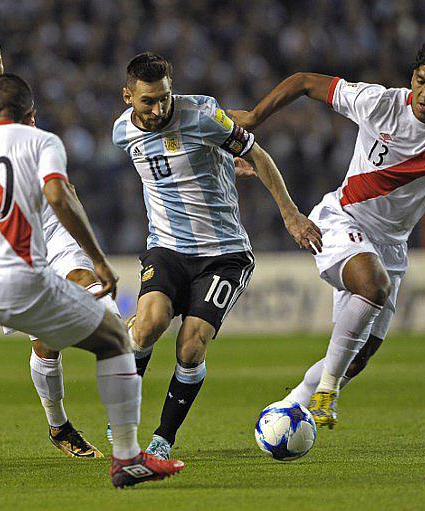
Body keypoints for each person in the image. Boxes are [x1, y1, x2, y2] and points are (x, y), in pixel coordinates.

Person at [0, 74, 185, 490]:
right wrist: (100, 261)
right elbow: (60, 198)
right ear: (31, 115)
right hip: (18, 276)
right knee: (114, 337)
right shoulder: (41, 143)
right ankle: (128, 458)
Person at [230, 40, 425, 428]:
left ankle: (289, 408)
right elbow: (302, 81)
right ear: (411, 79)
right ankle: (327, 391)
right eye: (420, 81)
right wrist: (253, 116)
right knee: (372, 286)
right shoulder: (379, 103)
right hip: (342, 220)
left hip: (392, 245)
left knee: (361, 353)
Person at [111, 52, 322, 459]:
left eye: (164, 99)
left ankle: (163, 438)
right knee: (149, 327)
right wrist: (222, 163)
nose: (158, 109)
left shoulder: (203, 116)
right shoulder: (122, 133)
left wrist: (291, 214)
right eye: (148, 101)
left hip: (224, 254)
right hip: (168, 246)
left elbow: (258, 155)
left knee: (191, 347)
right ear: (127, 97)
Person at [0, 22, 121, 458]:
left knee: (96, 296)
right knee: (44, 341)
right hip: (6, 243)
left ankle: (126, 439)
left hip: (51, 226)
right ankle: (59, 425)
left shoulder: (17, 97)